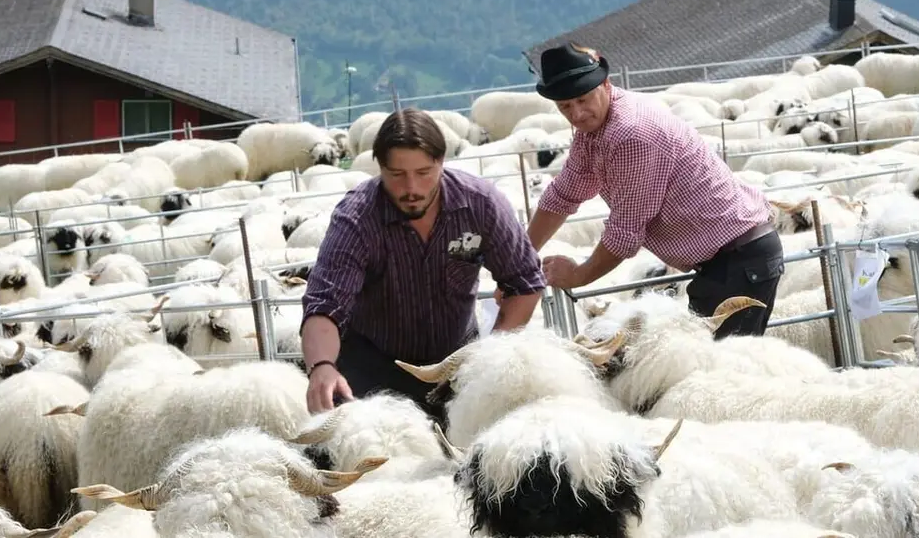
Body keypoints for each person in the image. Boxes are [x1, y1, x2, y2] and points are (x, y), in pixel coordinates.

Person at [299, 108, 547, 420]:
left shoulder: (481, 204)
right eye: (397, 174)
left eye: (424, 172)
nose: (411, 188)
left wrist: (488, 358)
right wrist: (322, 366)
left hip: (458, 363)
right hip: (373, 369)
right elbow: (325, 304)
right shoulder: (356, 218)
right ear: (379, 167)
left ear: (441, 162)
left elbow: (524, 281)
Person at [525, 41, 783, 339]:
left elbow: (625, 233)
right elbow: (564, 192)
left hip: (738, 261)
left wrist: (578, 275)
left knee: (721, 363)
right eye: (565, 106)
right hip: (728, 260)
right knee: (710, 358)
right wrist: (521, 256)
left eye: (583, 99)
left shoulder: (630, 134)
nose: (577, 114)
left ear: (605, 84)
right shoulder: (594, 130)